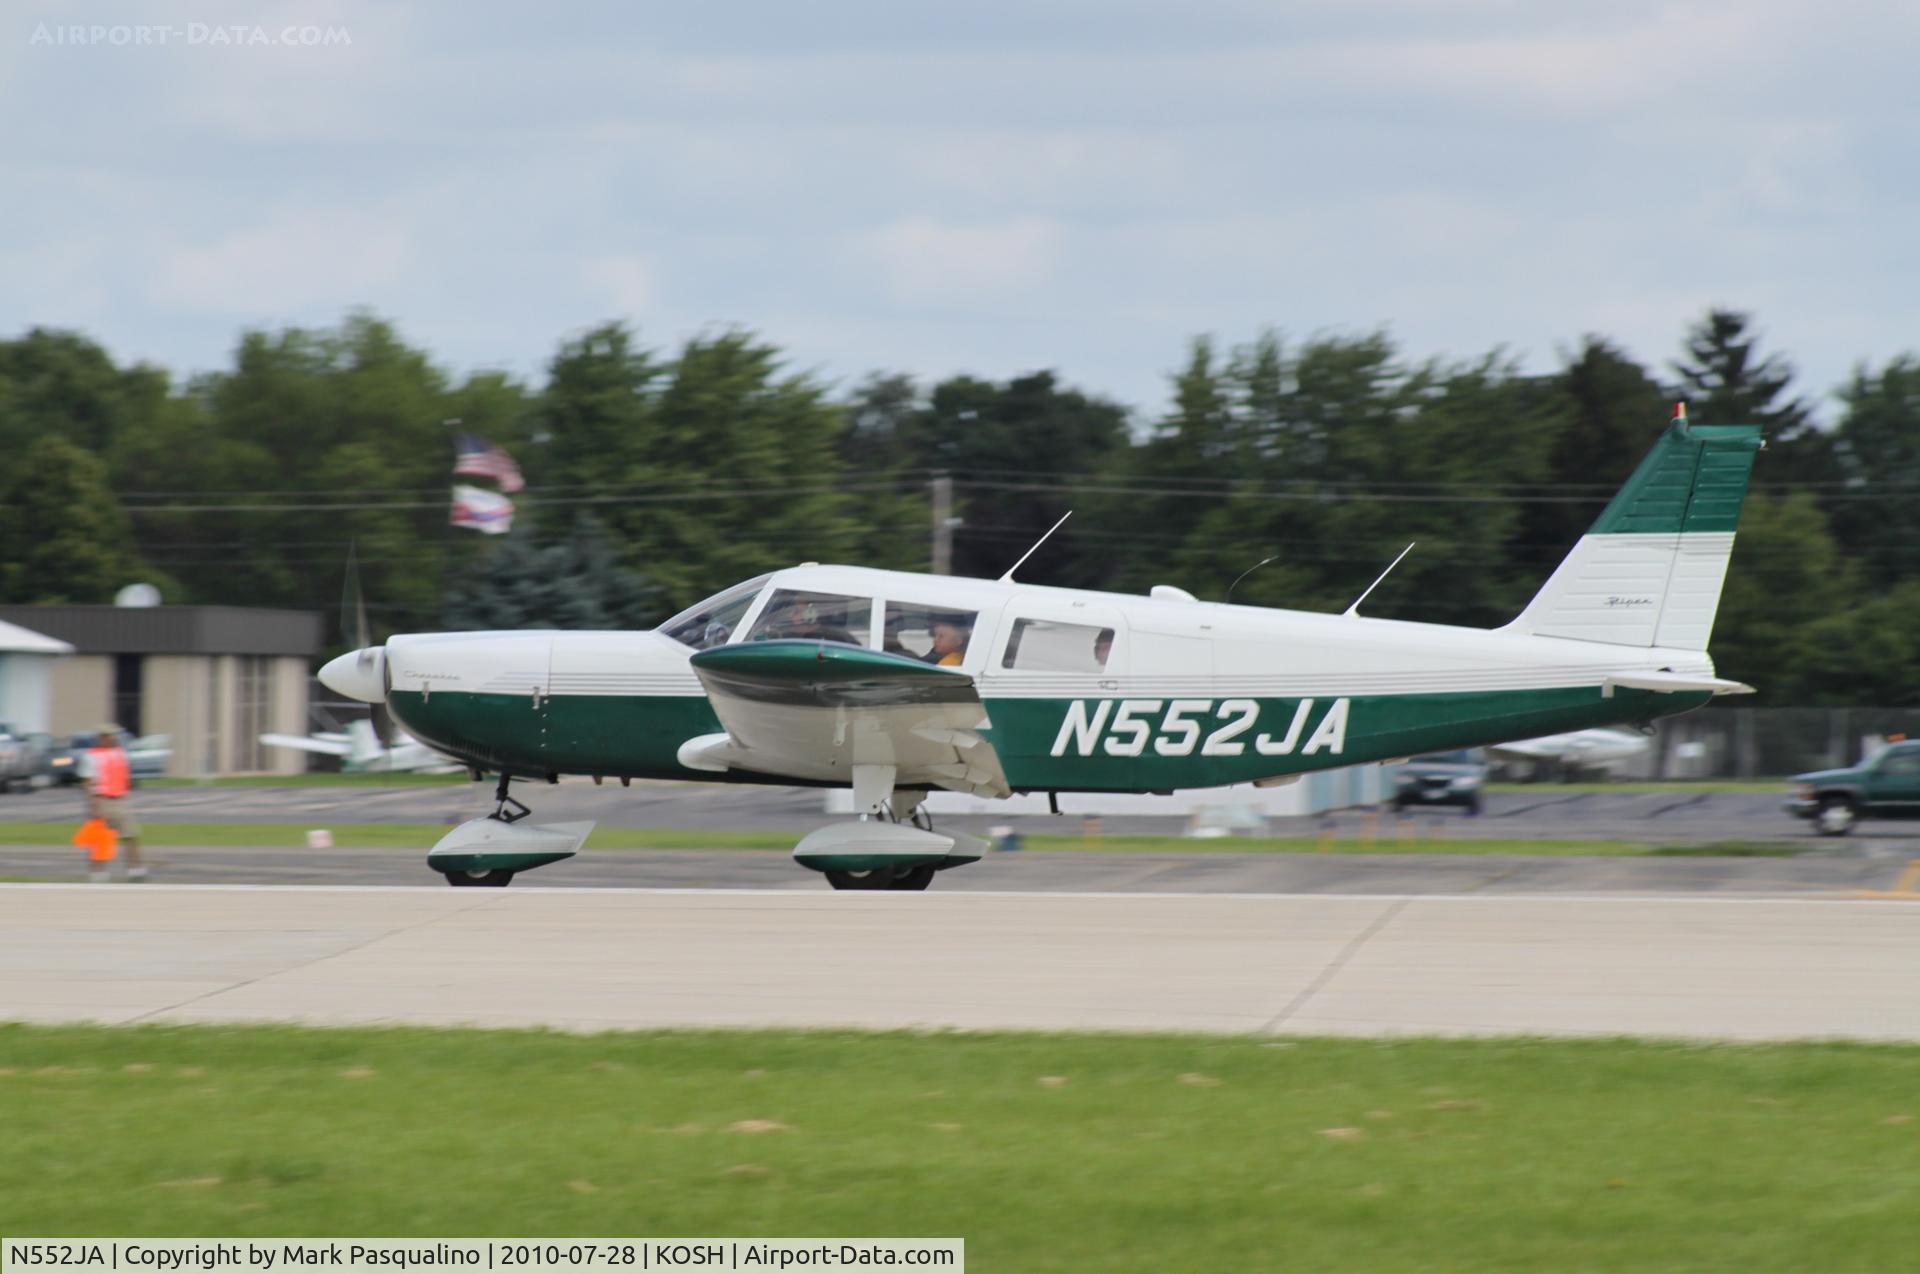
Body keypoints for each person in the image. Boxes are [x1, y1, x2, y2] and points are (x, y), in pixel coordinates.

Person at [81, 725, 145, 882]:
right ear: (102, 737)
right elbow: (88, 783)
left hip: (120, 799)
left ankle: (135, 869)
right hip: (102, 799)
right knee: (102, 839)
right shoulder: (91, 756)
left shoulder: (120, 753)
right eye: (110, 736)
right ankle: (98, 872)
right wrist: (94, 805)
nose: (113, 738)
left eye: (114, 735)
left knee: (131, 835)